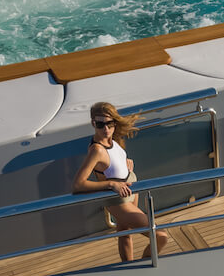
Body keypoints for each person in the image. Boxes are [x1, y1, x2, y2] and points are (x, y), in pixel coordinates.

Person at [72, 102, 169, 262]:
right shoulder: (97, 150)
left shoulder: (112, 139)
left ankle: (127, 269)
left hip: (131, 189)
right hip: (119, 200)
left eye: (110, 123)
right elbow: (78, 184)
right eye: (100, 124)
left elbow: (113, 159)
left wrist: (126, 161)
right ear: (93, 123)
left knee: (125, 233)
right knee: (160, 235)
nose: (106, 129)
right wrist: (111, 184)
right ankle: (144, 264)